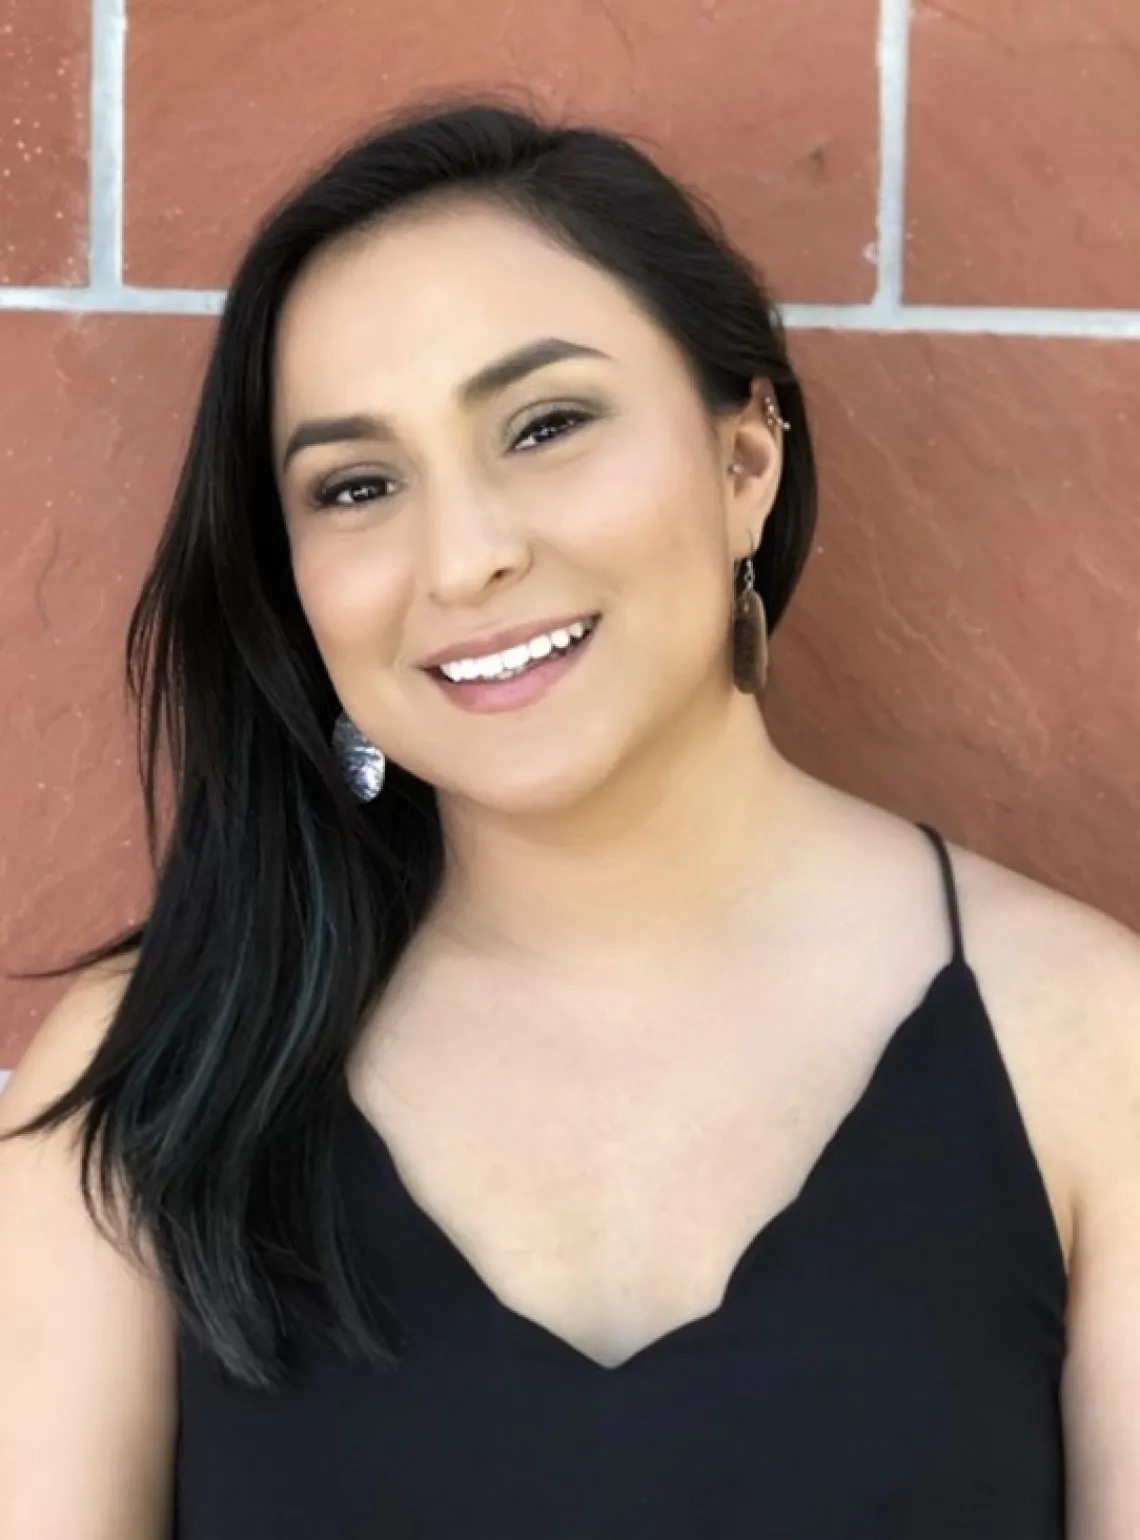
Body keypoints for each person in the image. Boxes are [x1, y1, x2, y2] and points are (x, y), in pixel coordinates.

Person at [0, 94, 1137, 1540]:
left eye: (545, 424)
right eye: (357, 484)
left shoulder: (1091, 1050)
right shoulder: (147, 1072)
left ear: (746, 463)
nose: (464, 555)